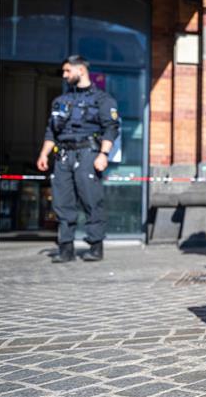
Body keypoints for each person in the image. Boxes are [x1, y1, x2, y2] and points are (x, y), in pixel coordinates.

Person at [36, 55, 119, 263]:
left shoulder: (102, 99)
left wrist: (103, 154)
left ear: (80, 70)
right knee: (62, 202)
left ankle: (95, 245)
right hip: (63, 155)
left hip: (88, 154)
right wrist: (44, 154)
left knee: (91, 200)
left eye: (67, 71)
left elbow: (111, 128)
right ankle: (66, 247)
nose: (64, 76)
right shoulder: (61, 101)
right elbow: (51, 131)